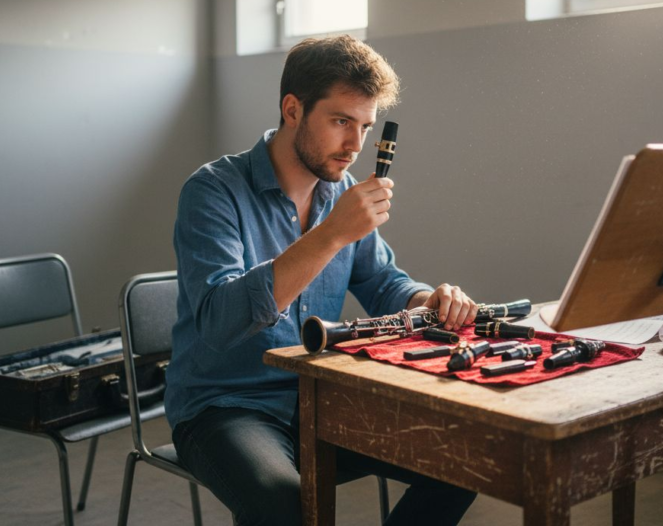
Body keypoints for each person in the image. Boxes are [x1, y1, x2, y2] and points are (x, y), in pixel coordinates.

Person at [166, 35, 478, 526]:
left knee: (463, 455)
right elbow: (219, 323)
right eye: (340, 122)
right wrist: (331, 235)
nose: (355, 146)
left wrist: (428, 298)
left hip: (317, 396)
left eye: (365, 127)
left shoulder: (342, 191)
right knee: (285, 504)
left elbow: (381, 281)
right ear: (293, 109)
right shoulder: (212, 191)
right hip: (224, 405)